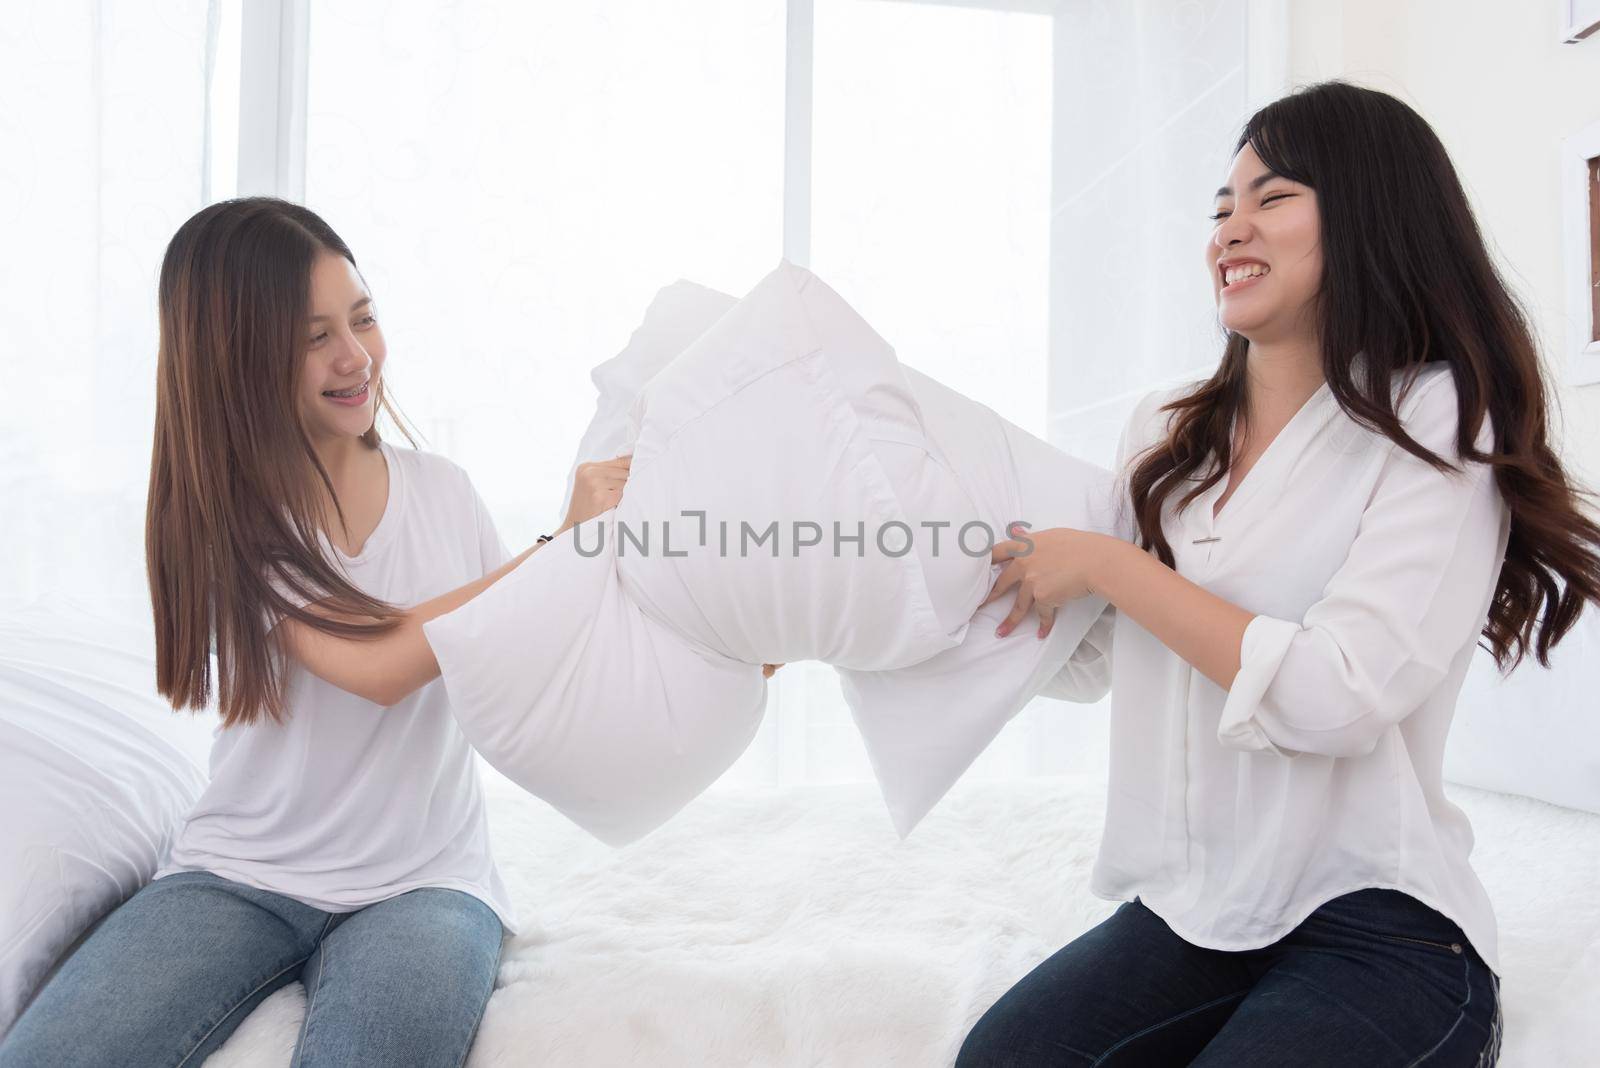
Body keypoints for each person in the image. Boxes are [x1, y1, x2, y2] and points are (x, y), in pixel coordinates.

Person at [956, 81, 1600, 1067]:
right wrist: (842, 631)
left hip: (1382, 928)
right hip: (1189, 912)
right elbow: (1086, 657)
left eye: (1271, 197)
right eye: (1220, 206)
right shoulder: (1166, 432)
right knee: (998, 1058)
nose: (1229, 228)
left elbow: (1339, 698)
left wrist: (1113, 567)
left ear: (1370, 215)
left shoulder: (1437, 417)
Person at [0, 198, 629, 1067]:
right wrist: (555, 548)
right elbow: (377, 663)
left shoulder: (444, 493)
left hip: (426, 886)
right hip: (237, 873)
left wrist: (718, 654)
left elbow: (530, 668)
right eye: (311, 337)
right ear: (237, 359)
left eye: (362, 318)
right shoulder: (232, 521)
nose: (353, 356)